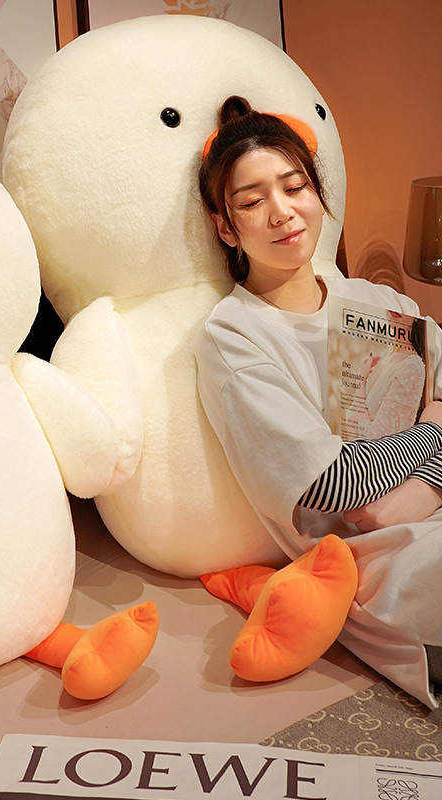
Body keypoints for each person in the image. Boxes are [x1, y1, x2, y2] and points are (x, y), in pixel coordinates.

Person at [194, 96, 442, 707]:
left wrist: (425, 483)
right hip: (382, 557)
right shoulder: (234, 335)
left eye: (294, 187)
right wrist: (434, 428)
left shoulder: (376, 300)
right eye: (251, 202)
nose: (281, 212)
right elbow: (331, 486)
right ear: (226, 228)